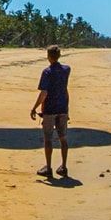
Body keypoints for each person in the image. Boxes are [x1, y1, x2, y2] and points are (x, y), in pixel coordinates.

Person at [30, 44, 71, 178]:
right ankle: (64, 167)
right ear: (59, 56)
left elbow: (44, 93)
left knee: (48, 138)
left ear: (48, 57)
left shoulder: (47, 72)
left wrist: (34, 107)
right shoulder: (66, 70)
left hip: (50, 108)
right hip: (63, 107)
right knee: (63, 138)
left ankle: (48, 167)